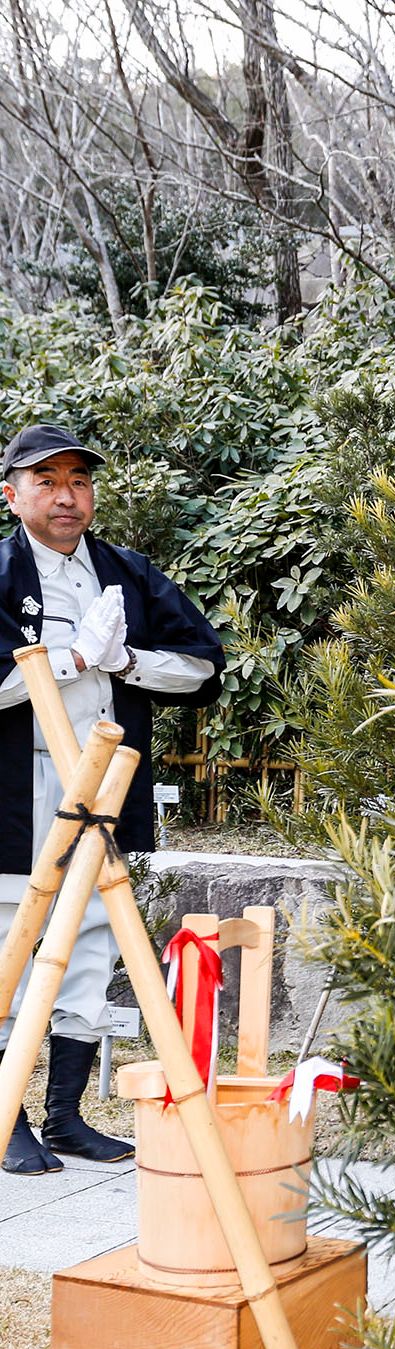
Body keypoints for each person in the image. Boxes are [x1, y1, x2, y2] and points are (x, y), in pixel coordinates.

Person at [0, 424, 224, 1175]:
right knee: (11, 940)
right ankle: (8, 1116)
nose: (66, 496)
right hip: (20, 782)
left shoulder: (127, 573)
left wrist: (125, 659)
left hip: (107, 782)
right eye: (46, 481)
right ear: (12, 495)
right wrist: (69, 657)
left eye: (79, 480)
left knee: (94, 938)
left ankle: (66, 1116)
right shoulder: (1, 572)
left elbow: (201, 666)